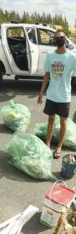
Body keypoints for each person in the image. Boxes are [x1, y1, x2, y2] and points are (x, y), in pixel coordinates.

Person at [37, 30, 76, 159]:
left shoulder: (72, 56)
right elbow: (47, 75)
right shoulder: (50, 55)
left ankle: (59, 146)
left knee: (63, 122)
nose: (59, 39)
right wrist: (41, 93)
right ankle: (47, 144)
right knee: (51, 119)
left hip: (64, 95)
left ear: (65, 39)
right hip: (52, 94)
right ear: (54, 40)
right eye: (57, 38)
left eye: (61, 37)